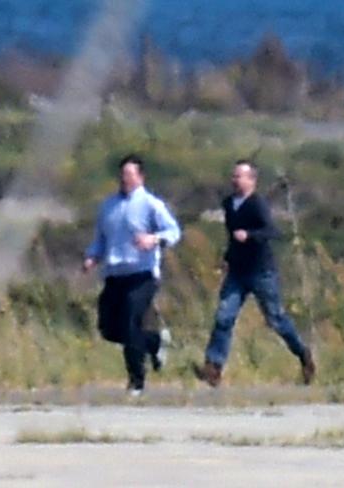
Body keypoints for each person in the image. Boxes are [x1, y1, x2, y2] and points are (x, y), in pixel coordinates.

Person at [194, 160, 315, 387]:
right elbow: (231, 236)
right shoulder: (229, 204)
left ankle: (303, 354)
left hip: (261, 272)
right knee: (224, 316)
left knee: (276, 319)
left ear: (252, 180)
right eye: (234, 176)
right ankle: (213, 367)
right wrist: (227, 258)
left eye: (240, 176)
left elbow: (272, 231)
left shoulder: (257, 204)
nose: (235, 180)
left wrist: (249, 235)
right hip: (237, 272)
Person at [83, 154, 181, 396]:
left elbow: (173, 231)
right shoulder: (108, 206)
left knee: (130, 323)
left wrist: (154, 239)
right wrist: (92, 256)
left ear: (140, 177)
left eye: (130, 175)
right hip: (115, 274)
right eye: (122, 175)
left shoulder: (151, 204)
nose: (125, 179)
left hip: (142, 274)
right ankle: (154, 343)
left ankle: (136, 382)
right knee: (109, 328)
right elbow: (101, 239)